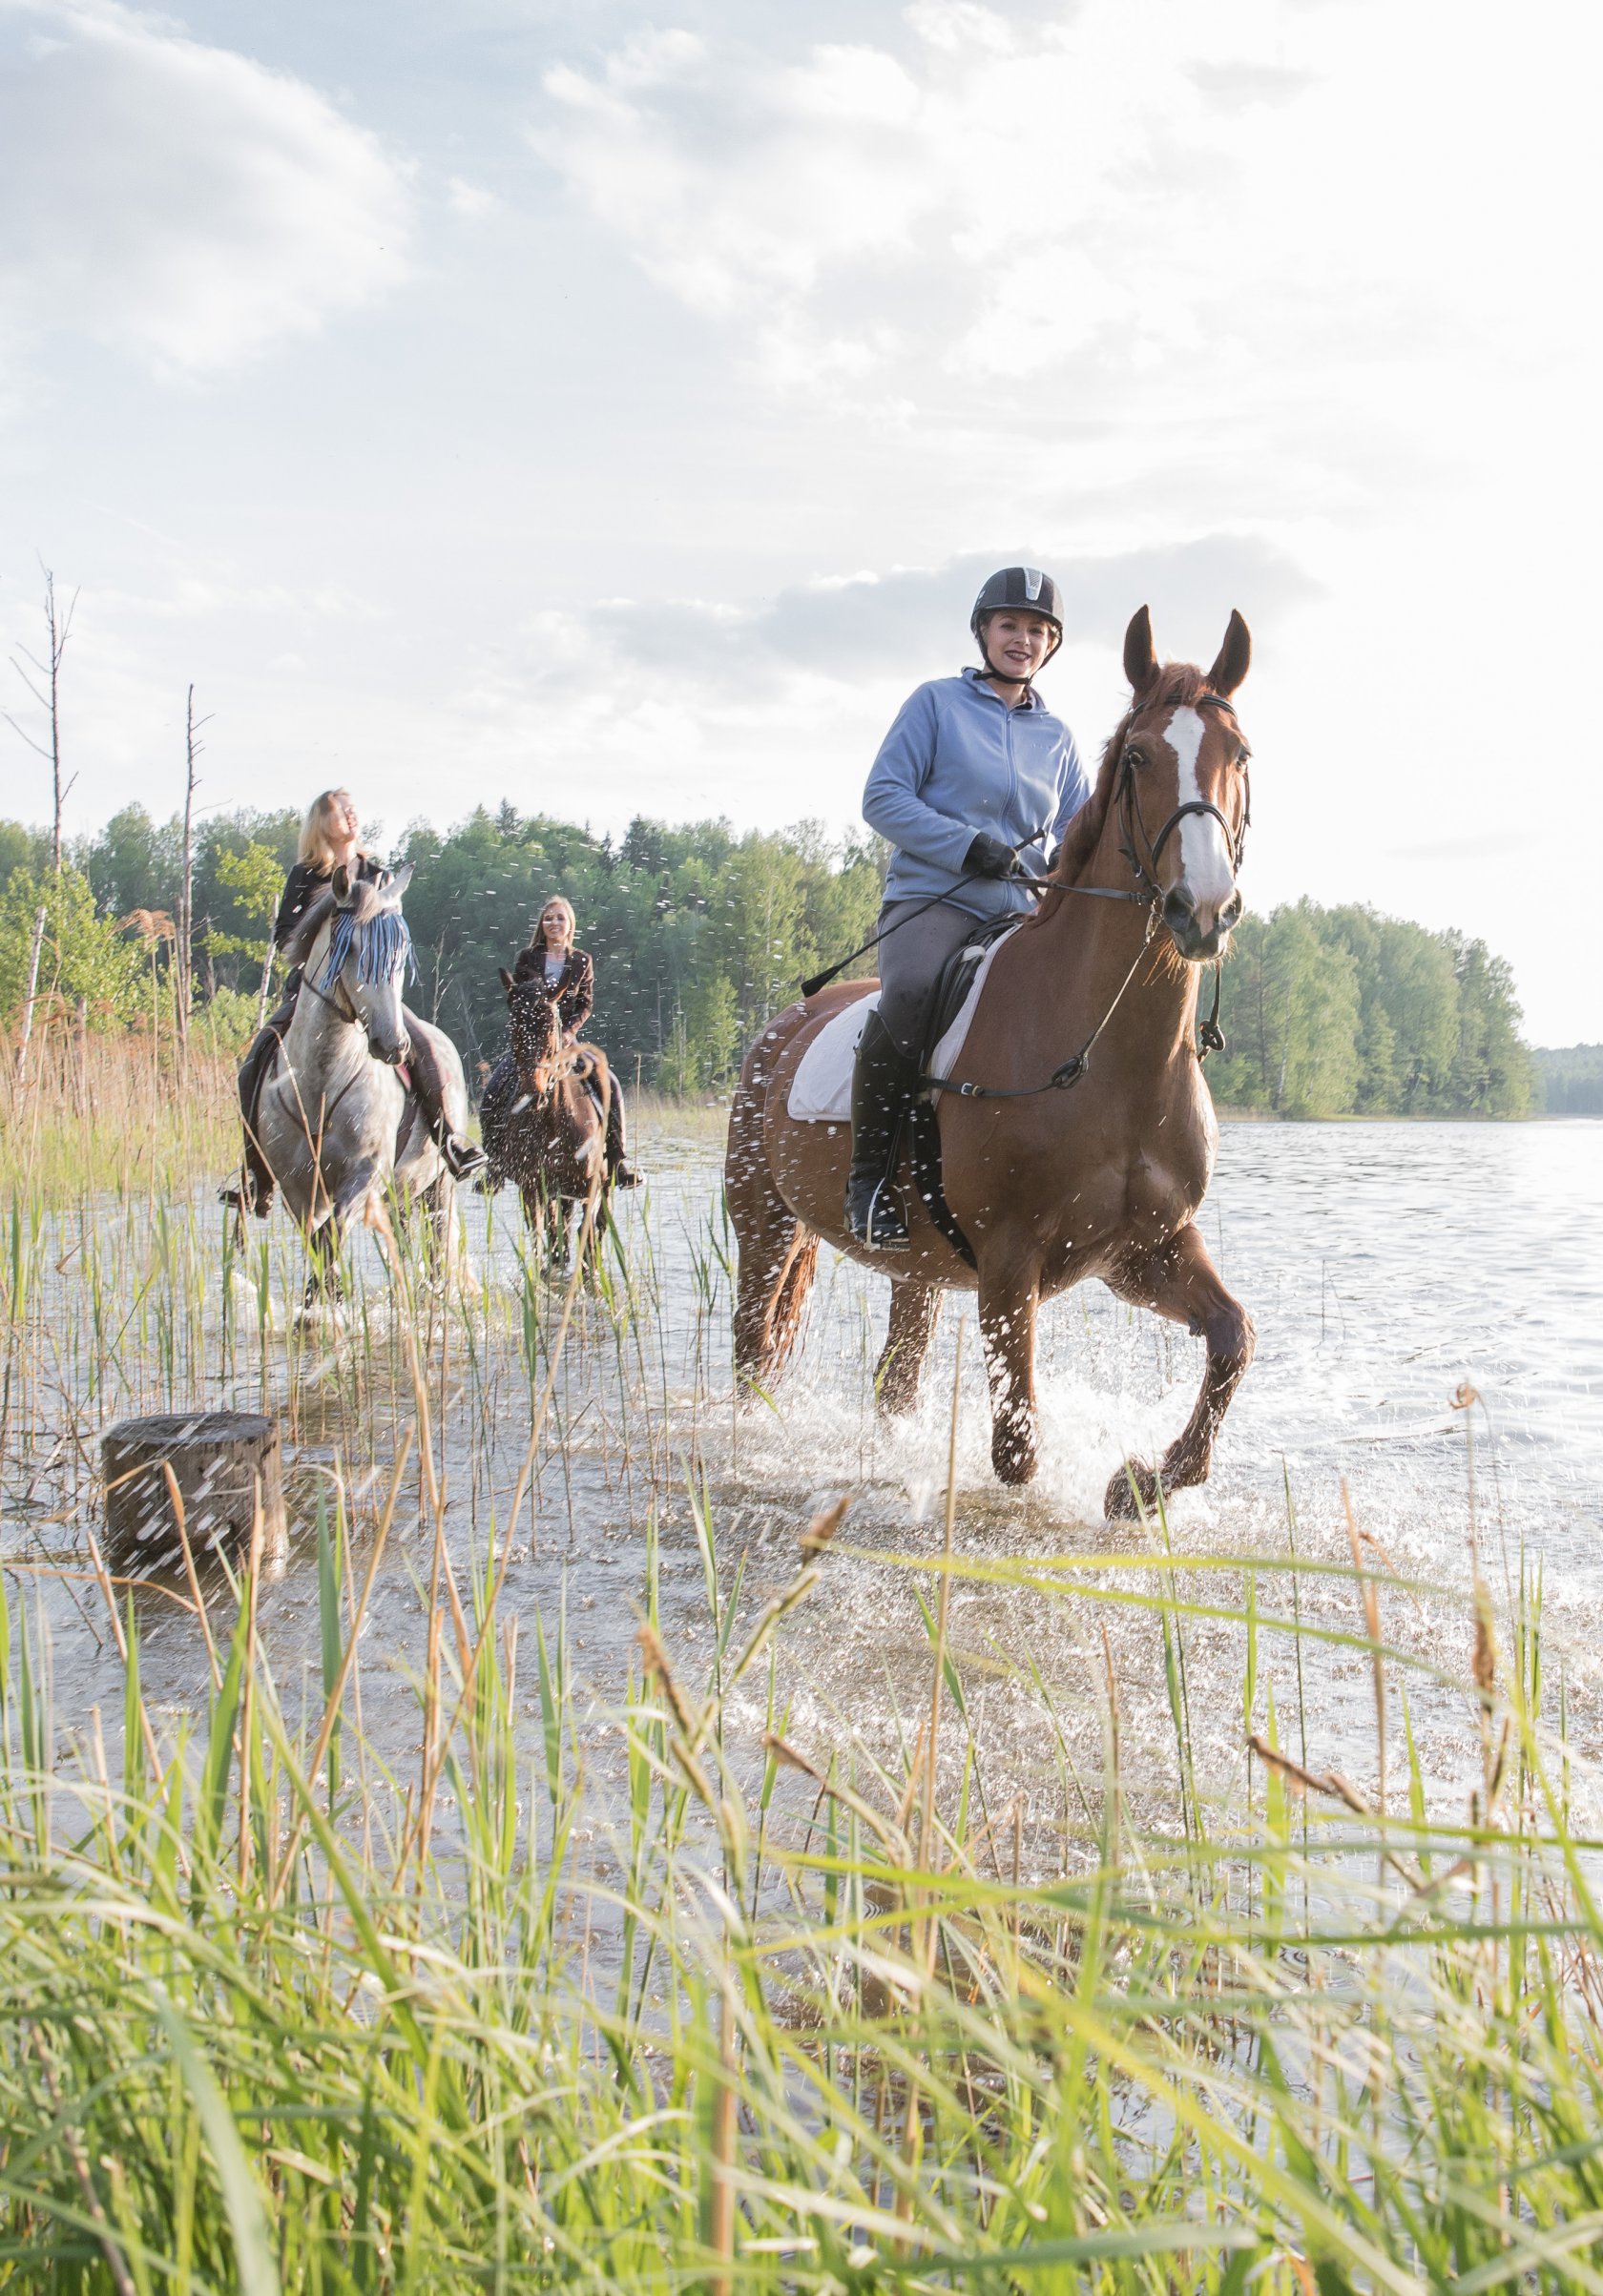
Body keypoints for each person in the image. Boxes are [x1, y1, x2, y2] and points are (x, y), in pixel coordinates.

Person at [846, 567, 1091, 1249]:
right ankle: (866, 1183)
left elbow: (1077, 833)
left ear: (1052, 646)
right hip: (933, 898)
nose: (1023, 640)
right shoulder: (934, 704)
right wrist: (967, 845)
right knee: (915, 993)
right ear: (983, 630)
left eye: (1039, 631)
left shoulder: (1061, 740)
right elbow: (883, 798)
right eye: (1011, 625)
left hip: (1020, 910)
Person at [228, 788, 485, 1214]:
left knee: (422, 1044)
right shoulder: (305, 875)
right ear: (321, 823)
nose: (350, 814)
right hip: (313, 994)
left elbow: (392, 931)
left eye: (352, 809)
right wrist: (328, 926)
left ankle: (450, 1139)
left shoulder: (376, 874)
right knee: (256, 1058)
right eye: (339, 810)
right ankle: (257, 1174)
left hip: (372, 988)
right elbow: (284, 936)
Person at [483, 894, 640, 1188]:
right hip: (532, 1041)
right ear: (542, 924)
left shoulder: (582, 960)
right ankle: (494, 1165)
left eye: (560, 918)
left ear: (570, 924)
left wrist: (567, 1032)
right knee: (493, 1090)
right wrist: (532, 1027)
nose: (553, 923)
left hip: (567, 1041)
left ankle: (618, 1162)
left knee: (612, 1086)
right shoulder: (527, 957)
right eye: (548, 918)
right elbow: (516, 998)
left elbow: (585, 1004)